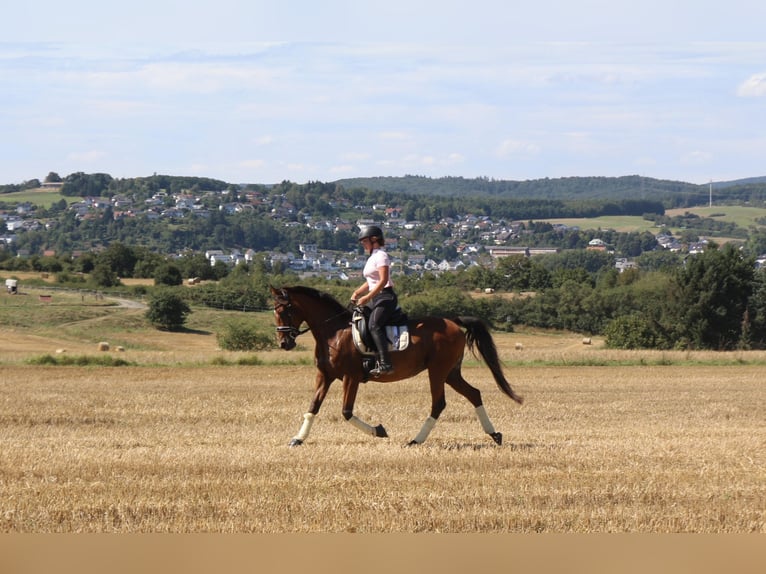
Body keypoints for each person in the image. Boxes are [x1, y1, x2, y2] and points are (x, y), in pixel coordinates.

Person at [351, 225, 397, 376]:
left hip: (385, 296)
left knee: (374, 325)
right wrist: (358, 292)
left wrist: (367, 297)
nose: (363, 244)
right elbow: (371, 280)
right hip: (375, 296)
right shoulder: (372, 258)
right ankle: (369, 357)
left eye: (365, 241)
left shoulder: (381, 256)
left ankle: (386, 363)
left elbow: (383, 281)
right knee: (359, 318)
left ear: (374, 240)